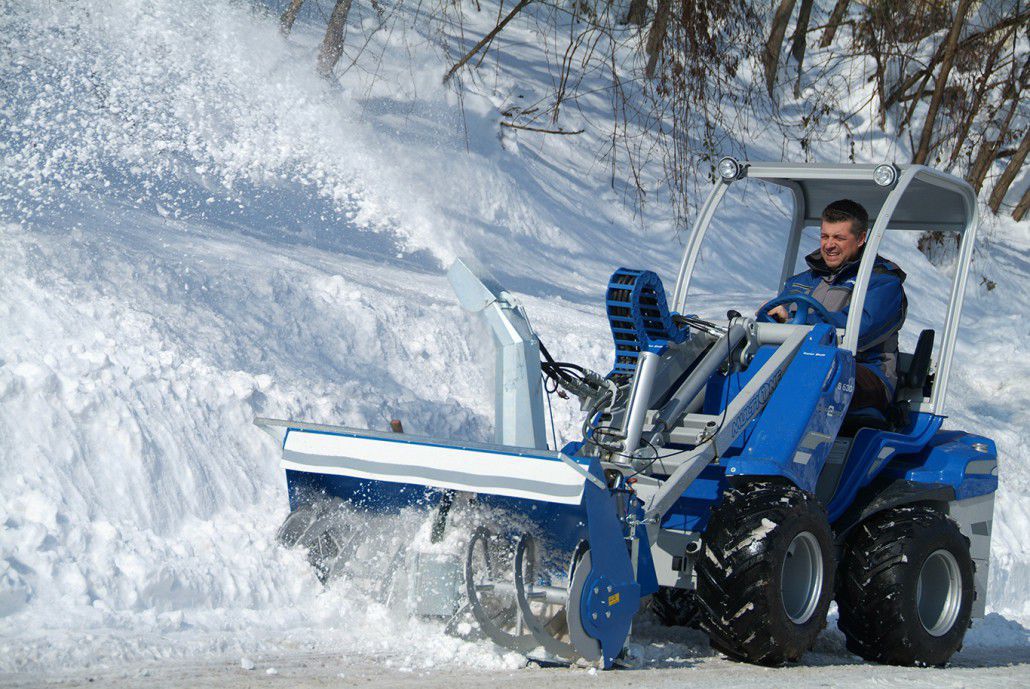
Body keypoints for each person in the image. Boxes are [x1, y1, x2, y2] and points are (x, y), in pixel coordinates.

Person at [764, 199, 906, 413]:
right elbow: (778, 317)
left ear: (860, 239)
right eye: (824, 236)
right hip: (801, 361)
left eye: (839, 237)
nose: (828, 245)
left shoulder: (882, 282)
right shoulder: (803, 281)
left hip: (865, 372)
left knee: (813, 371)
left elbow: (859, 331)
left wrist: (794, 321)